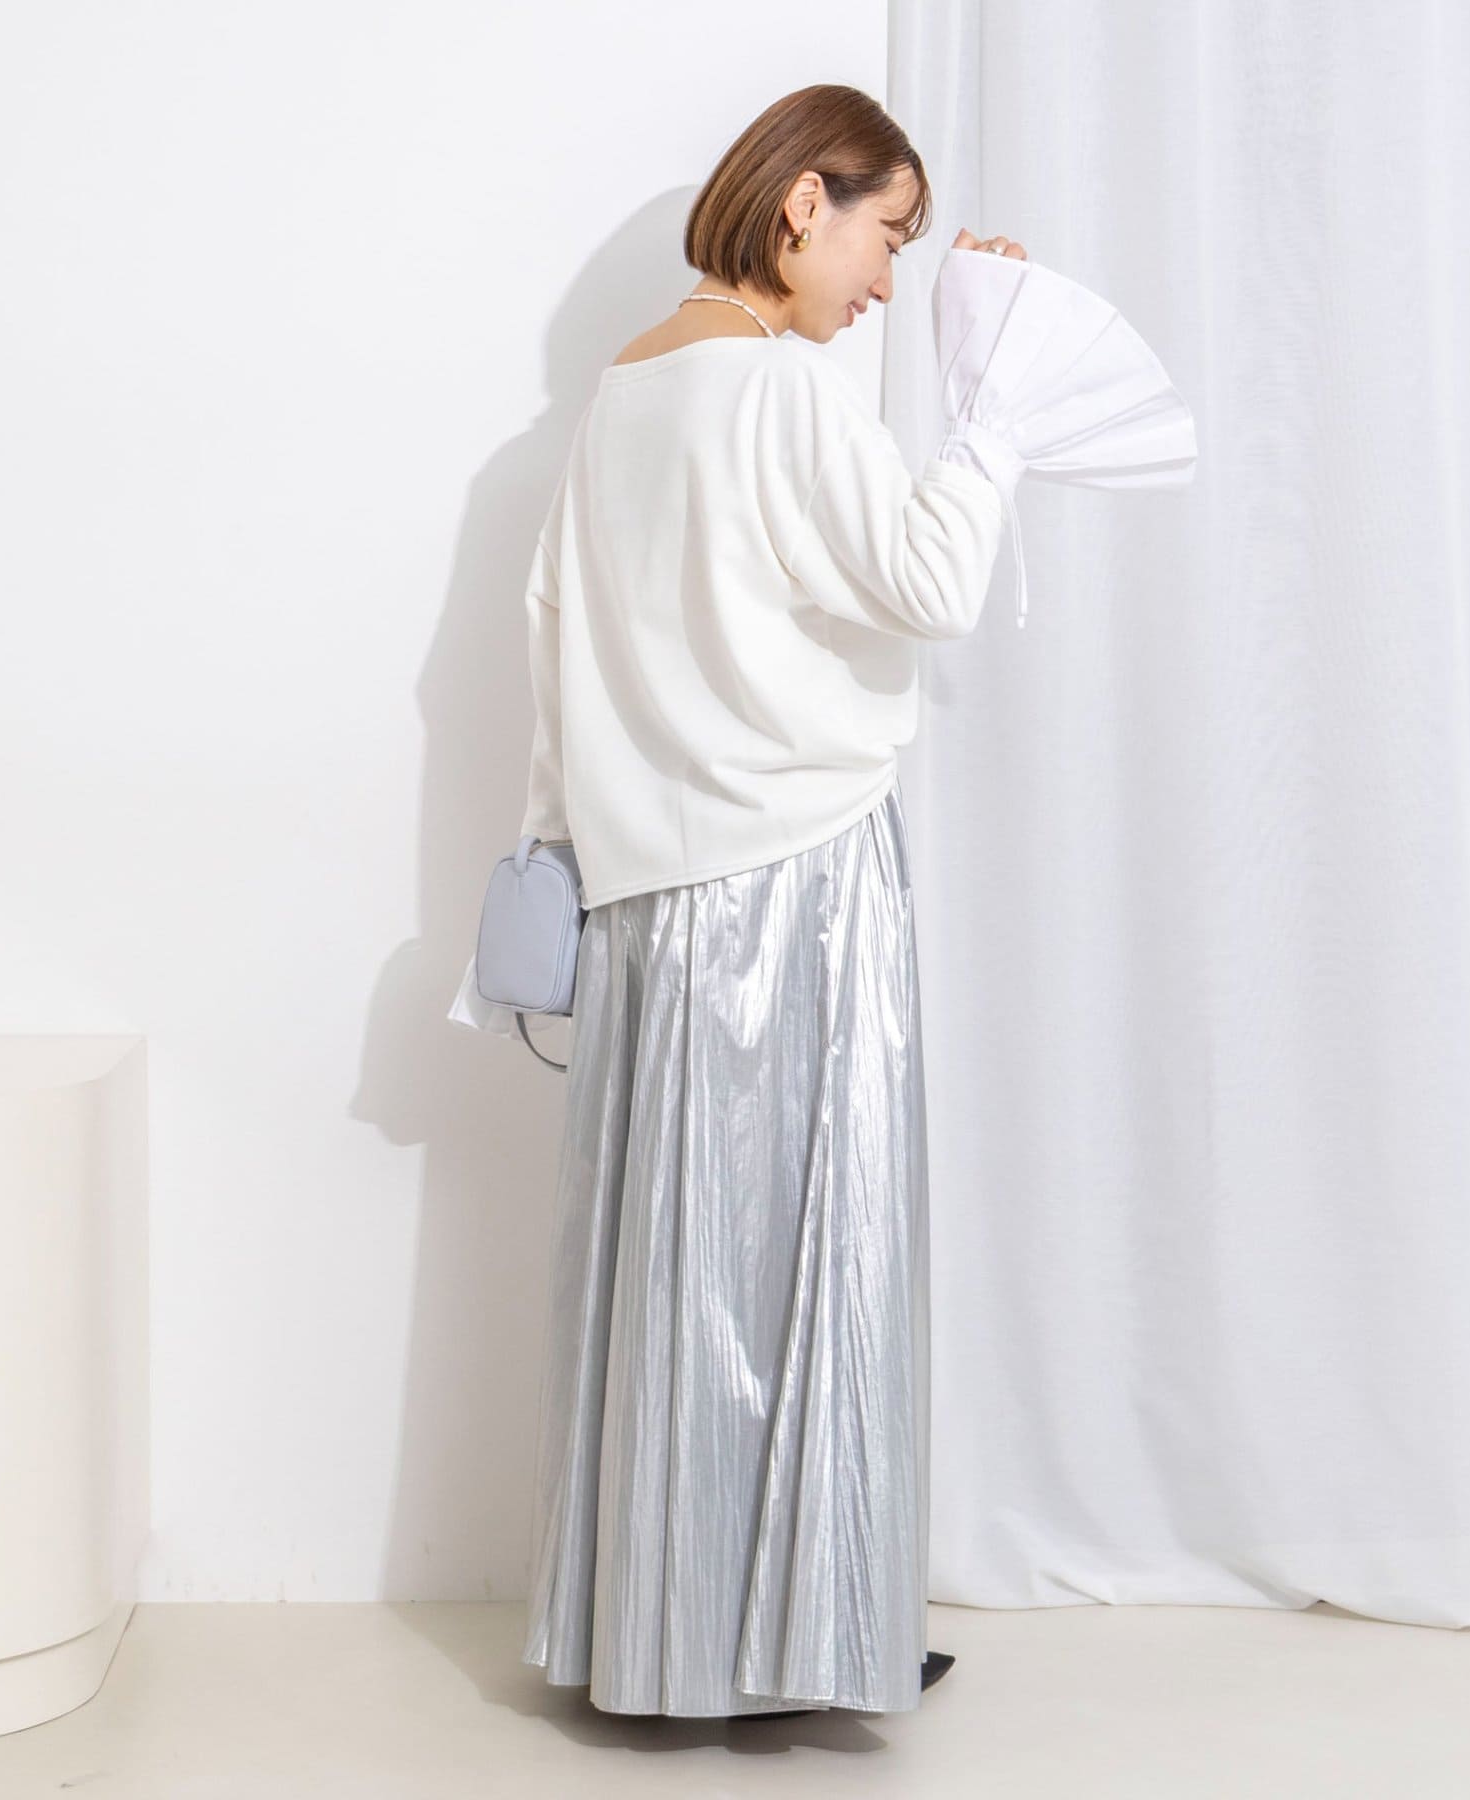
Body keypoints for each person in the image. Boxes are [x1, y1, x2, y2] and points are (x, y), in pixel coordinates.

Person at [515, 82, 1026, 1720]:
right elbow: (932, 584)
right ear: (806, 201)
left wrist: (563, 858)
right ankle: (811, 1631)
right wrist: (992, 413)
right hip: (797, 876)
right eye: (886, 236)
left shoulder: (619, 396)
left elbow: (555, 647)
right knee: (818, 1249)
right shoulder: (782, 393)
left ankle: (652, 1638)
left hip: (645, 897)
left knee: (671, 1269)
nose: (882, 283)